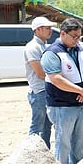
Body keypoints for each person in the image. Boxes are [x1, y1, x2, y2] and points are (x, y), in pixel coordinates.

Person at [40, 18, 83, 164]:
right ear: (63, 33)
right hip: (62, 105)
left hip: (81, 103)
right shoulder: (52, 53)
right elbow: (56, 79)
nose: (77, 40)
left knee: (79, 142)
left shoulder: (80, 50)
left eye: (79, 36)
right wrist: (80, 91)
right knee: (63, 143)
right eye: (74, 36)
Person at [24, 16, 56, 149]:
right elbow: (40, 73)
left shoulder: (42, 46)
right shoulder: (33, 47)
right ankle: (30, 154)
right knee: (37, 126)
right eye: (47, 28)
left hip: (45, 90)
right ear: (38, 30)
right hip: (39, 91)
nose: (50, 31)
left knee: (46, 127)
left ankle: (44, 154)